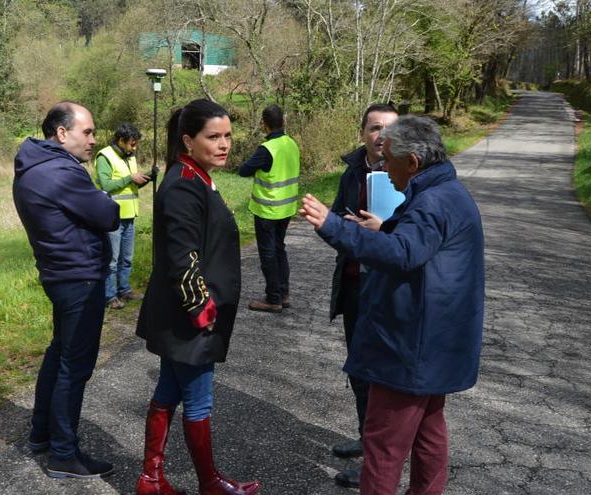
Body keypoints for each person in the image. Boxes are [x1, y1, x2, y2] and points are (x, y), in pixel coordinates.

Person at [299, 115, 485, 495]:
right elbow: (420, 247)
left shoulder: (432, 202)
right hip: (436, 343)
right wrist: (383, 229)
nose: (383, 167)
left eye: (389, 159)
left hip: (410, 347)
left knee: (384, 445)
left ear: (413, 162)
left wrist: (333, 226)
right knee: (429, 432)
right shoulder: (446, 193)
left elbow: (403, 254)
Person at [134, 99, 261, 495]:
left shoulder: (195, 176)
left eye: (227, 136)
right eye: (213, 137)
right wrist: (202, 311)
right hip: (191, 317)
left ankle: (151, 479)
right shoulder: (184, 186)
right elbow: (180, 257)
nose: (224, 144)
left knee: (169, 392)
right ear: (188, 140)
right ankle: (210, 483)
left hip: (183, 316)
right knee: (199, 401)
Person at [12, 101, 120, 479]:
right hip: (79, 278)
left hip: (59, 275)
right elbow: (108, 215)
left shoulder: (33, 166)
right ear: (62, 133)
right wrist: (105, 201)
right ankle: (62, 454)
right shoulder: (61, 171)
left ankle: (42, 434)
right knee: (74, 367)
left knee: (59, 355)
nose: (93, 140)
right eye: (87, 132)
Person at [328, 103, 399, 488]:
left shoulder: (412, 172)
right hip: (356, 285)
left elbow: (419, 233)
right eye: (374, 128)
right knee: (358, 368)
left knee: (383, 376)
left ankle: (378, 461)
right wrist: (345, 225)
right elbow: (337, 217)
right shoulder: (352, 172)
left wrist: (382, 228)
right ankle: (366, 435)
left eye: (389, 129)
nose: (381, 136)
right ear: (363, 134)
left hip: (390, 290)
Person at [238, 104, 300, 313]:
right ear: (283, 121)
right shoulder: (291, 144)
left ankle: (273, 299)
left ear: (264, 124)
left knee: (269, 254)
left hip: (268, 210)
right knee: (280, 249)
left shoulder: (267, 149)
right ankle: (283, 294)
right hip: (287, 208)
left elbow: (244, 170)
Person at [94, 122, 151, 310]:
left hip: (129, 215)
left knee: (126, 258)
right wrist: (130, 178)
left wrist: (149, 177)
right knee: (112, 259)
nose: (135, 147)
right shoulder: (105, 156)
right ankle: (110, 296)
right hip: (112, 217)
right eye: (132, 144)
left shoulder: (130, 157)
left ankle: (124, 290)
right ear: (120, 140)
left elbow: (131, 187)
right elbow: (106, 185)